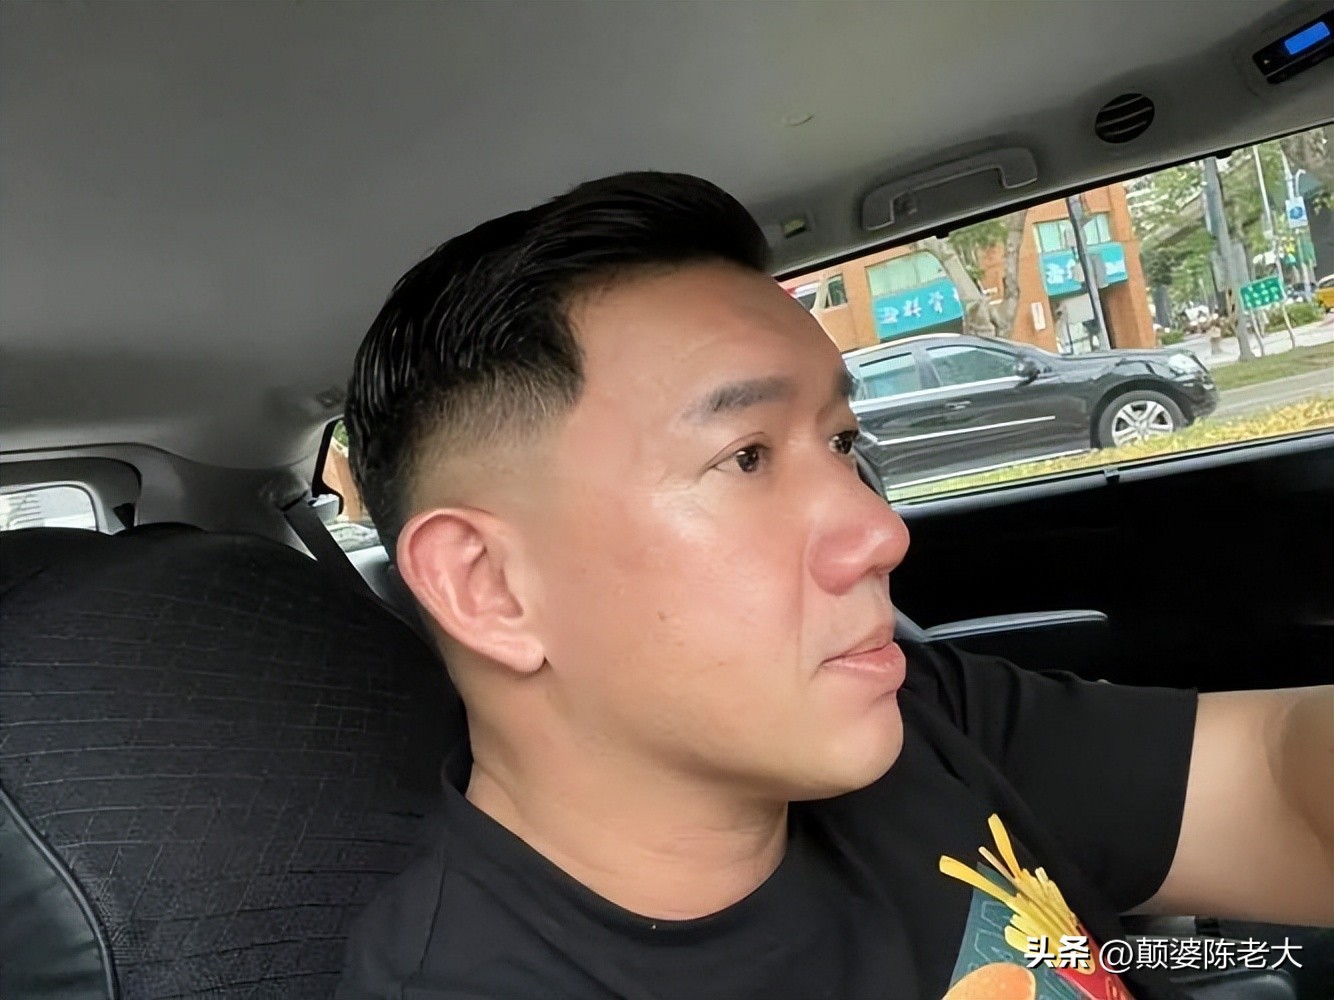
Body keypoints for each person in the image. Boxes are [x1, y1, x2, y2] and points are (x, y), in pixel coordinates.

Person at [336, 172, 1333, 1000]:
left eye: (843, 442)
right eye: (745, 457)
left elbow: (1275, 780)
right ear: (490, 587)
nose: (881, 532)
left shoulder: (912, 721)